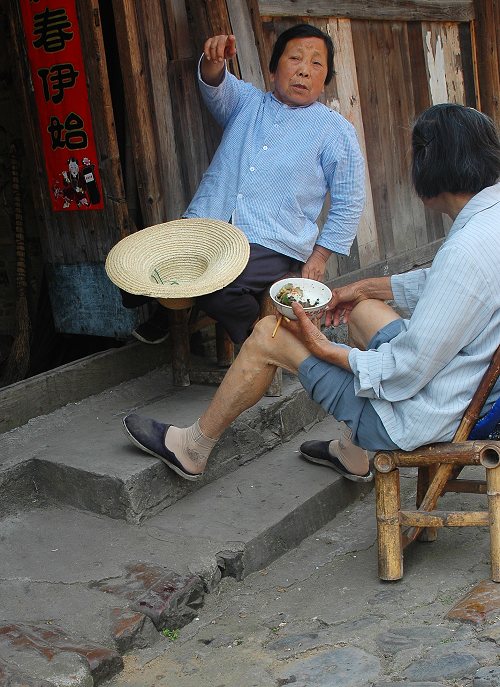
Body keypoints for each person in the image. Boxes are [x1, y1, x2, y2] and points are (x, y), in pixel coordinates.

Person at [122, 103, 500, 484]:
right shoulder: (491, 219)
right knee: (364, 310)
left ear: (429, 166)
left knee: (267, 334)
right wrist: (364, 288)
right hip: (469, 387)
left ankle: (193, 448)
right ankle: (354, 456)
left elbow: (408, 370)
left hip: (420, 416)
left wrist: (328, 349)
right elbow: (447, 285)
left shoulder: (464, 251)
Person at [127, 24, 365, 344]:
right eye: (295, 58)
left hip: (271, 243)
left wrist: (319, 258)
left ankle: (260, 337)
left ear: (325, 81)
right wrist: (214, 58)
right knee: (134, 270)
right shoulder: (247, 102)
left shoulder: (336, 132)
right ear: (272, 70)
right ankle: (167, 306)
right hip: (206, 225)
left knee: (217, 292)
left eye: (316, 64)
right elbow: (216, 82)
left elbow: (350, 201)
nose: (304, 71)